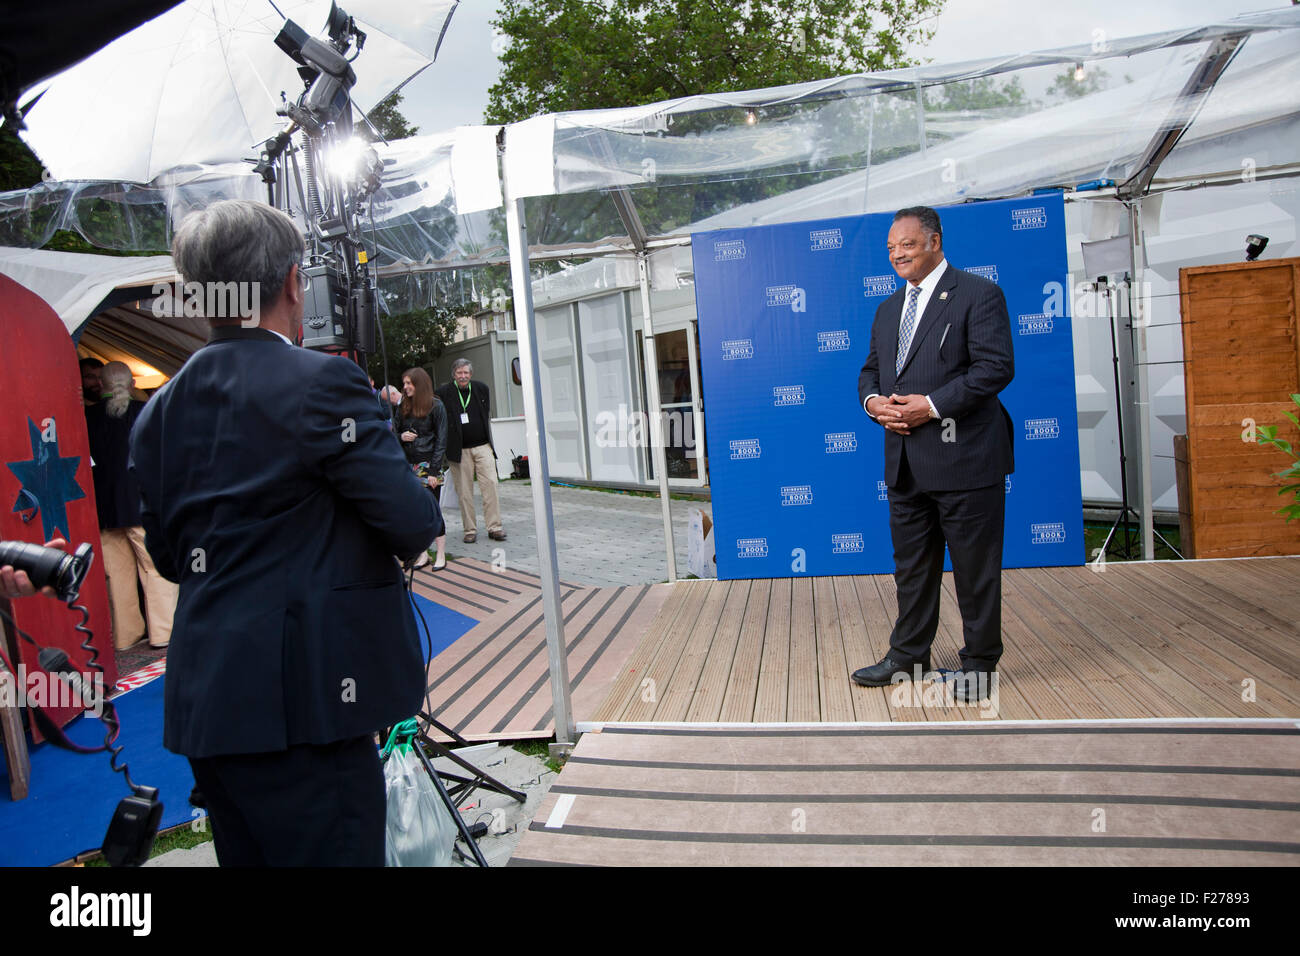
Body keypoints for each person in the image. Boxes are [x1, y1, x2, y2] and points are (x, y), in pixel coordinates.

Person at [129, 199, 441, 866]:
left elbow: (171, 558)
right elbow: (414, 524)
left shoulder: (157, 411)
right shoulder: (322, 383)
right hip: (309, 709)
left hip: (210, 706)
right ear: (295, 283)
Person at [854, 205, 1015, 702]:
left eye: (906, 244)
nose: (897, 254)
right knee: (912, 569)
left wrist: (932, 405)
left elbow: (995, 368)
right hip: (905, 462)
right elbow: (870, 373)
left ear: (935, 242)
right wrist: (873, 401)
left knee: (974, 571)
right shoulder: (886, 309)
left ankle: (979, 666)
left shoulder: (978, 294)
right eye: (890, 248)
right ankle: (908, 656)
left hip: (966, 459)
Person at [85, 361, 178, 649]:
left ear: (102, 386)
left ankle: (126, 635)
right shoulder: (145, 412)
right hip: (140, 504)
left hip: (105, 508)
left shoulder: (86, 416)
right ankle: (163, 632)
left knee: (117, 574)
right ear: (132, 385)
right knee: (154, 569)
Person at [437, 358, 505, 544]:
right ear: (454, 374)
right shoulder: (443, 393)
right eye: (459, 373)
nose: (463, 376)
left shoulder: (481, 388)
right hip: (459, 451)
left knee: (491, 484)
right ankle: (470, 530)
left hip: (483, 446)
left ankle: (495, 527)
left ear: (471, 374)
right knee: (464, 492)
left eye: (466, 372)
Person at [394, 367, 448, 570]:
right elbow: (394, 431)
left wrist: (434, 471)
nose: (405, 387)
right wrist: (401, 436)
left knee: (433, 511)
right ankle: (424, 554)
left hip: (428, 465)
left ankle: (441, 553)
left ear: (420, 384)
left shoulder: (436, 406)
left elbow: (442, 440)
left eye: (409, 383)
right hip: (409, 465)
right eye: (404, 383)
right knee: (415, 512)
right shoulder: (403, 406)